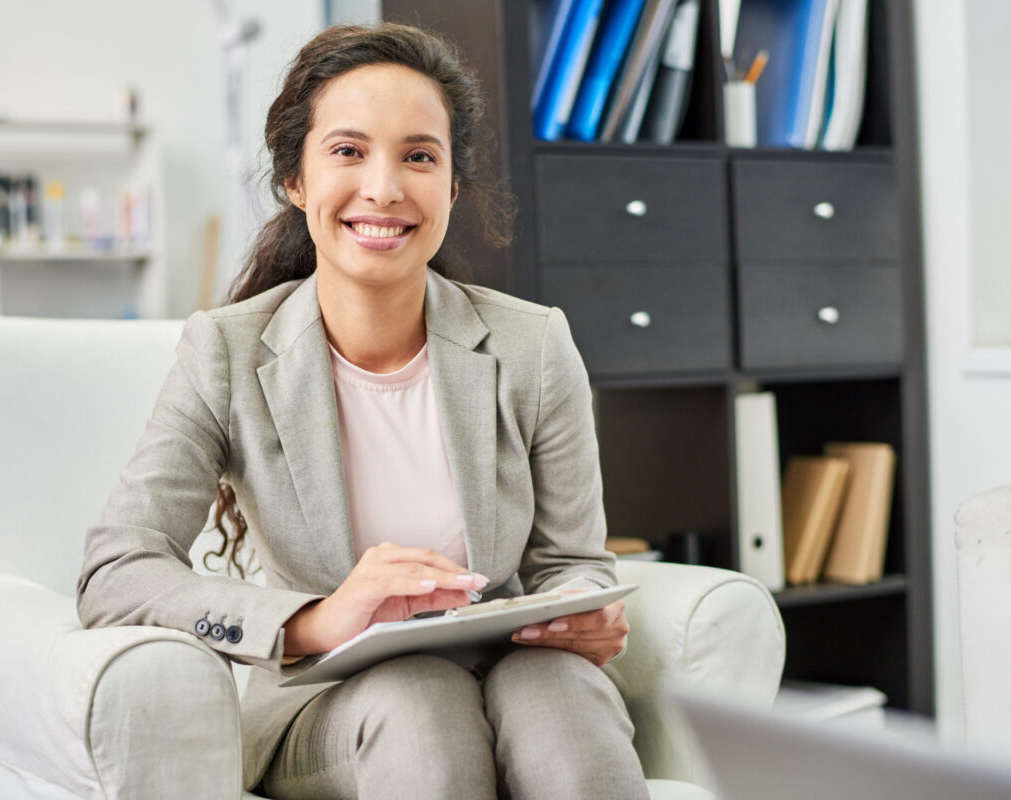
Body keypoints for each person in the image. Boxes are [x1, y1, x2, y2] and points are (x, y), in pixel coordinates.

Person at [76, 21, 649, 800]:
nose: (384, 187)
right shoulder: (226, 353)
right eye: (348, 151)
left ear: (450, 186)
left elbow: (571, 565)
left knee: (564, 699)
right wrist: (316, 619)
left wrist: (588, 614)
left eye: (419, 155)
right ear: (296, 180)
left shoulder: (534, 345)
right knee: (421, 702)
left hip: (511, 672)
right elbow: (117, 571)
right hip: (327, 704)